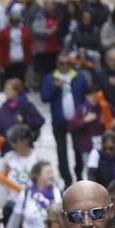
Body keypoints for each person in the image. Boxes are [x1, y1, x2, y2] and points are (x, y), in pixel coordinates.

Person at [41, 53, 90, 187]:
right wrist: (55, 87)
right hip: (59, 122)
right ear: (57, 64)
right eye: (61, 63)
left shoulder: (79, 77)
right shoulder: (50, 78)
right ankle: (67, 180)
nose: (64, 66)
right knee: (61, 152)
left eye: (67, 63)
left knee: (78, 149)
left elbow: (87, 95)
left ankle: (79, 174)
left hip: (77, 122)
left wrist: (85, 113)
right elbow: (44, 97)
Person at [4, 160, 60, 228]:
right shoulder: (26, 194)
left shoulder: (57, 192)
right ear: (37, 175)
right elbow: (15, 220)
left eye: (52, 172)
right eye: (48, 172)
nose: (51, 175)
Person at [67, 83, 110, 170]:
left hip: (105, 148)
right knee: (90, 172)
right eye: (90, 95)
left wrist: (113, 124)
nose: (93, 98)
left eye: (95, 95)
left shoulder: (105, 107)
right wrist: (85, 120)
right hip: (87, 148)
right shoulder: (82, 109)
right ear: (86, 96)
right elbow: (71, 126)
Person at [0, 78, 45, 147]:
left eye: (9, 89)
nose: (5, 92)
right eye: (5, 89)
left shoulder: (26, 105)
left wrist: (25, 119)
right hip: (6, 147)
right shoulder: (3, 108)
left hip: (24, 147)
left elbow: (40, 121)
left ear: (16, 91)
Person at [0, 124, 41, 198]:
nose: (13, 145)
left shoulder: (37, 158)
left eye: (15, 142)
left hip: (31, 199)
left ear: (26, 141)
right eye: (12, 142)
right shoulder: (8, 158)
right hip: (11, 200)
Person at [0, 8, 34, 85]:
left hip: (22, 59)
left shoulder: (25, 31)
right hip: (8, 60)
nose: (15, 23)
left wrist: (32, 50)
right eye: (13, 21)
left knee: (20, 79)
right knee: (9, 79)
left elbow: (30, 42)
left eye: (16, 21)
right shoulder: (4, 32)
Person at [31, 1, 65, 85]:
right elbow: (35, 28)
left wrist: (56, 30)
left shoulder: (60, 15)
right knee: (38, 69)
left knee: (52, 69)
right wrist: (45, 32)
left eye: (51, 5)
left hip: (55, 48)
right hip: (42, 47)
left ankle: (51, 84)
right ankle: (39, 86)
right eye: (47, 5)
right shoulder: (39, 15)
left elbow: (63, 29)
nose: (49, 7)